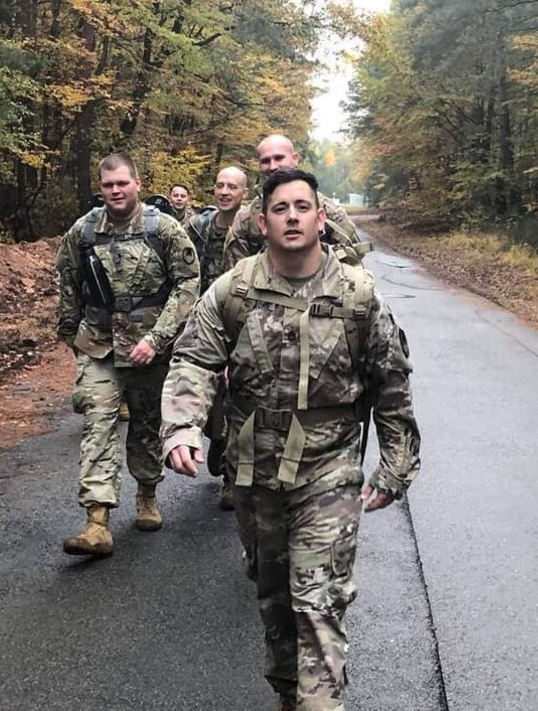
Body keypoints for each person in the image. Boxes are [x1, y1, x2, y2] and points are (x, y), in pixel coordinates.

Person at [162, 168, 420, 711]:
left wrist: (395, 465)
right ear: (263, 222)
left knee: (318, 602)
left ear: (321, 218)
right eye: (281, 209)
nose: (293, 216)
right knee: (275, 597)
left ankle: (320, 703)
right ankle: (289, 694)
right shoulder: (233, 289)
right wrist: (182, 425)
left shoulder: (356, 293)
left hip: (330, 466)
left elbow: (390, 379)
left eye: (303, 207)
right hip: (253, 468)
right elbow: (194, 358)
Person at [56, 153, 199, 555]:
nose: (115, 191)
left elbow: (188, 284)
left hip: (149, 348)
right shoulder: (83, 232)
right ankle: (96, 520)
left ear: (137, 182)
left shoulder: (164, 230)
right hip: (99, 345)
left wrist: (158, 338)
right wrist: (71, 334)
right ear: (100, 189)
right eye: (107, 185)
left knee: (146, 423)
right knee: (97, 424)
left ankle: (148, 491)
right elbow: (67, 281)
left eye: (122, 183)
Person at [187, 166, 249, 510]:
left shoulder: (252, 225)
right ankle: (217, 437)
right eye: (220, 186)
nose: (225, 192)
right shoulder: (198, 227)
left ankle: (231, 475)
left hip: (239, 320)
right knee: (208, 391)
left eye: (232, 187)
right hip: (206, 319)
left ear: (244, 192)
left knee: (238, 393)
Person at [224, 134, 366, 268]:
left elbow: (353, 259)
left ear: (295, 159)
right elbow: (235, 272)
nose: (272, 166)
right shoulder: (246, 218)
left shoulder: (328, 211)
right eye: (265, 161)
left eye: (279, 158)